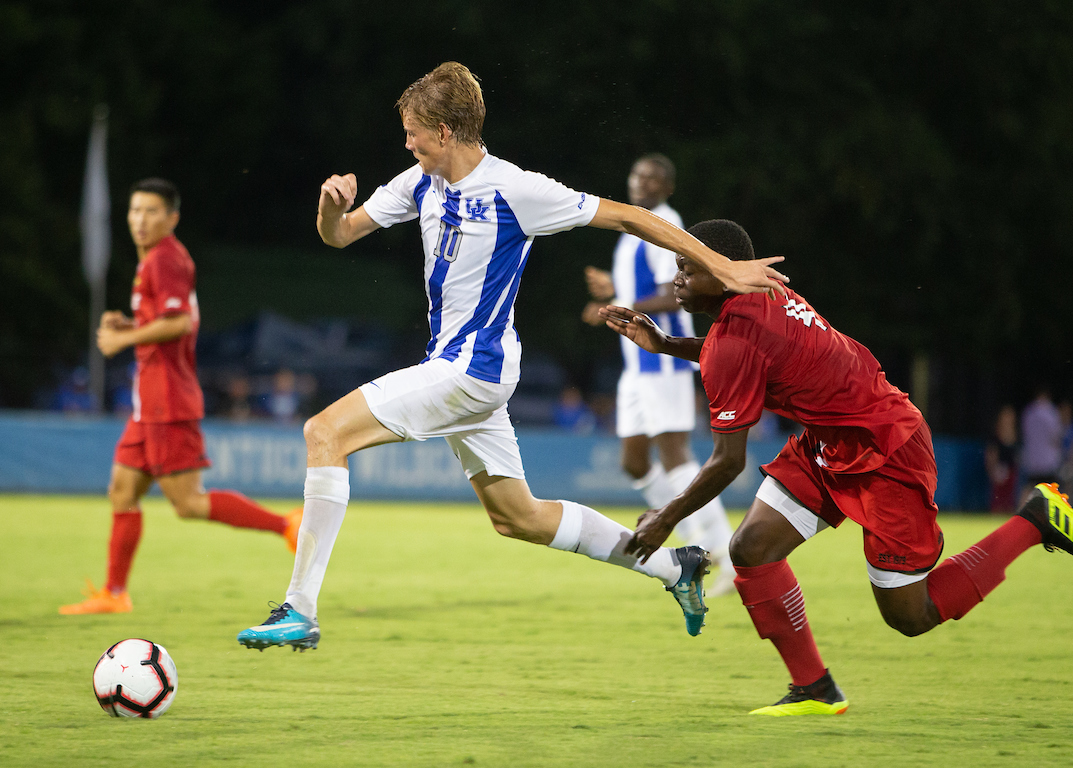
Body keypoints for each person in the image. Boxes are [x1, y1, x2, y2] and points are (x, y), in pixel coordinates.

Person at [235, 63, 786, 651]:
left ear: (445, 131)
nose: (407, 142)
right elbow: (339, 235)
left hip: (470, 370)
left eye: (413, 131)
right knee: (517, 518)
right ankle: (675, 568)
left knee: (325, 432)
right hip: (470, 369)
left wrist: (721, 267)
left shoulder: (516, 189)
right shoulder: (419, 182)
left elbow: (629, 216)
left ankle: (300, 608)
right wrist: (328, 206)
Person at [601, 219, 1073, 716]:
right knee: (751, 549)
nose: (678, 279)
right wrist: (668, 345)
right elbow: (744, 351)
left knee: (912, 616)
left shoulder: (734, 335)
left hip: (887, 449)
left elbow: (728, 459)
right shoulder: (760, 294)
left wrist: (667, 516)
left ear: (725, 267)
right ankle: (814, 689)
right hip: (832, 441)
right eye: (677, 266)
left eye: (689, 267)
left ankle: (1035, 519)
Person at [60, 179, 301, 615]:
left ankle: (287, 525)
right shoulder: (154, 261)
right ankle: (115, 594)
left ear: (171, 218)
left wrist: (125, 337)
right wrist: (128, 323)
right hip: (146, 401)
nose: (140, 220)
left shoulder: (166, 258)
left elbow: (179, 324)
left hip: (166, 401)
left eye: (151, 211)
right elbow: (165, 320)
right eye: (135, 211)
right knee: (122, 490)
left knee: (188, 503)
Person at [581, 154, 735, 595]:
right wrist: (614, 290)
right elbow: (645, 286)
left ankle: (724, 552)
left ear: (668, 187)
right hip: (636, 365)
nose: (641, 183)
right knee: (633, 462)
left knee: (675, 453)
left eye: (652, 179)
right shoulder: (634, 228)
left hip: (663, 356)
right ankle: (694, 543)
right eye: (636, 176)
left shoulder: (665, 224)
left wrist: (619, 305)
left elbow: (679, 289)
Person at [1019, 387, 1063, 501]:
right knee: (1051, 491)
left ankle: (1020, 512)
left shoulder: (1029, 412)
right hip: (1048, 461)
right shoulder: (1051, 412)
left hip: (1032, 460)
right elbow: (1056, 437)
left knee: (1030, 488)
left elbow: (1024, 434)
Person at [984, 405, 1019, 513]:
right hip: (999, 472)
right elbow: (991, 454)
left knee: (1009, 502)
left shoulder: (1016, 434)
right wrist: (992, 470)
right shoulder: (996, 434)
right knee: (998, 501)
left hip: (1011, 472)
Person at [1057, 400, 1073, 500]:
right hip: (1057, 462)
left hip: (1070, 462)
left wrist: (1071, 464)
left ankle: (1069, 508)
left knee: (1069, 487)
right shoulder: (1057, 426)